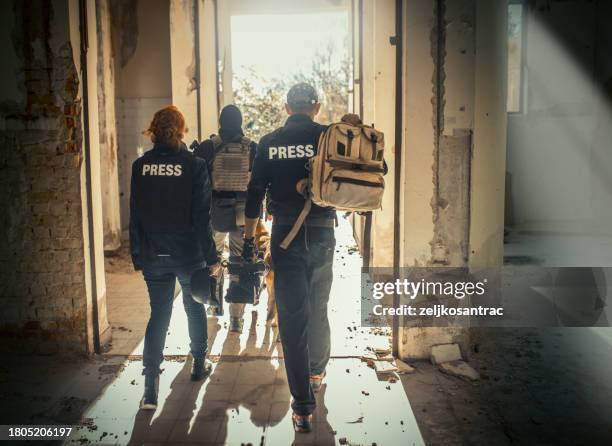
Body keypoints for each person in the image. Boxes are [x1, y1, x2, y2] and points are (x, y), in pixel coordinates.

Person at [242, 83, 358, 432]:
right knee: (318, 305)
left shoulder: (269, 142)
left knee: (293, 321)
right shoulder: (328, 137)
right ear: (316, 107)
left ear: (286, 106)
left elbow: (253, 196)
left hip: (285, 238)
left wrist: (249, 240)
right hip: (322, 233)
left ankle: (303, 408)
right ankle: (317, 372)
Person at [129, 105, 220, 410]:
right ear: (181, 131)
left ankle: (150, 391)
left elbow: (136, 216)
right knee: (194, 308)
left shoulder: (141, 166)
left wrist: (138, 255)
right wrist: (211, 257)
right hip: (188, 254)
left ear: (153, 130)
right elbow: (201, 217)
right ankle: (198, 364)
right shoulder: (193, 166)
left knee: (159, 315)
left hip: (154, 254)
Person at [194, 104, 257, 333]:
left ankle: (213, 306)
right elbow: (258, 185)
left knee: (214, 259)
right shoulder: (252, 147)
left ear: (220, 122)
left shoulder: (208, 147)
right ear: (241, 122)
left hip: (214, 213)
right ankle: (237, 319)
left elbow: (197, 182)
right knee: (240, 263)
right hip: (243, 214)